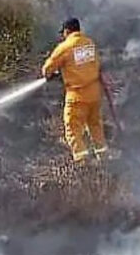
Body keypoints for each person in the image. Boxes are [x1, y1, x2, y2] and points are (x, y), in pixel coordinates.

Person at [42, 17, 107, 163]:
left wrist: (51, 74)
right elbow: (94, 64)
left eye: (63, 32)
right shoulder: (89, 43)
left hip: (77, 96)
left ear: (67, 31)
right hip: (95, 93)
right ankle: (103, 156)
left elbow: (47, 69)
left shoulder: (65, 47)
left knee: (72, 127)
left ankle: (81, 159)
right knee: (95, 125)